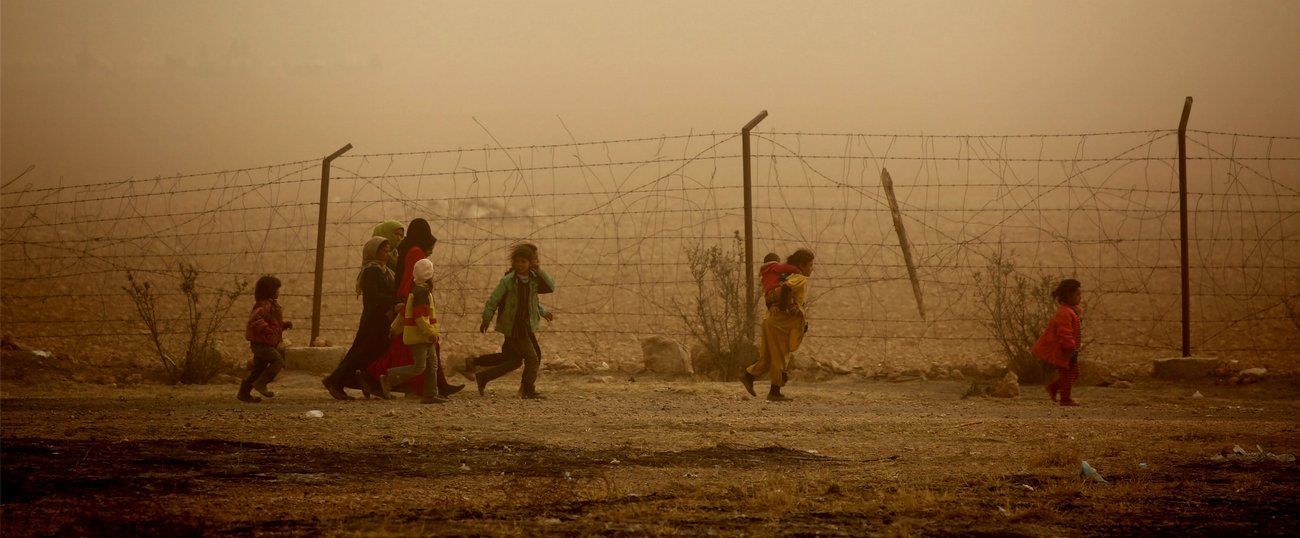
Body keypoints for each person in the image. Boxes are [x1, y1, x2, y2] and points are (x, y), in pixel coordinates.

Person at [366, 218, 463, 397]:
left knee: (410, 352)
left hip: (407, 304)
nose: (431, 251)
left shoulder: (408, 249)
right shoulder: (416, 253)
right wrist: (410, 302)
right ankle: (376, 377)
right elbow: (411, 278)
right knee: (410, 353)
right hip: (414, 308)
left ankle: (433, 389)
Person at [322, 236, 402, 400]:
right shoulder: (372, 270)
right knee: (359, 353)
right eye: (385, 251)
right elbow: (373, 295)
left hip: (381, 319)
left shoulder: (382, 270)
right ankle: (334, 382)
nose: (388, 255)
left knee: (376, 353)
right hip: (373, 320)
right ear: (374, 252)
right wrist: (393, 301)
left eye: (389, 252)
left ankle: (373, 384)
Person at [474, 243, 555, 399]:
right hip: (514, 326)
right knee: (532, 358)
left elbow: (543, 292)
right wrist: (486, 319)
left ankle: (484, 376)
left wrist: (542, 311)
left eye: (523, 262)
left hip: (526, 324)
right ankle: (528, 390)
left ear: (530, 262)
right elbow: (494, 299)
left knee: (515, 361)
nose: (520, 265)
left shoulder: (533, 279)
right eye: (517, 261)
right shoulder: (508, 281)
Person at [741, 249, 814, 402]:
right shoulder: (799, 278)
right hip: (778, 323)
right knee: (781, 357)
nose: (812, 268)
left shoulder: (784, 276)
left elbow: (775, 292)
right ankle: (775, 391)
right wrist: (784, 308)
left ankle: (749, 375)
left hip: (770, 320)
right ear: (801, 265)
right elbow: (787, 288)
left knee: (768, 358)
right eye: (810, 265)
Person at [380, 258, 445, 403]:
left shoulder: (417, 291)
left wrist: (394, 329)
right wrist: (431, 332)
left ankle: (430, 394)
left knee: (432, 365)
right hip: (420, 336)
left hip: (425, 336)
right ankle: (389, 377)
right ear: (429, 275)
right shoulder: (421, 293)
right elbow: (420, 317)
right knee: (419, 367)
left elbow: (403, 314)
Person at [239, 275, 293, 403]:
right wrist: (264, 328)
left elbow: (272, 322)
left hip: (265, 342)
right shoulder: (265, 305)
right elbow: (254, 319)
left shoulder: (271, 305)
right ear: (270, 290)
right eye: (277, 289)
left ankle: (243, 393)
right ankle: (262, 383)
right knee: (278, 361)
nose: (279, 291)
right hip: (261, 343)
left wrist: (283, 325)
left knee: (259, 368)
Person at [1032, 279, 1083, 407]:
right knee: (1067, 374)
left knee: (1075, 373)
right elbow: (1064, 332)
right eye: (1077, 294)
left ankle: (1053, 387)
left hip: (1071, 349)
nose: (1080, 297)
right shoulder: (1064, 313)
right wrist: (1069, 347)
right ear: (1068, 296)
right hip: (1064, 349)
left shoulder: (1071, 311)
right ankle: (1065, 398)